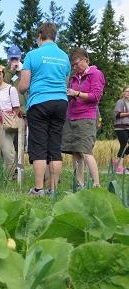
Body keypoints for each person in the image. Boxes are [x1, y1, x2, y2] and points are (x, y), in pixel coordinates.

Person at [18, 22, 71, 196]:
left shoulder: (33, 55)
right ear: (54, 36)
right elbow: (65, 84)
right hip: (61, 102)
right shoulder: (64, 57)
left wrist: (22, 86)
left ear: (40, 36)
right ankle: (53, 190)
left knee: (39, 146)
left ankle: (39, 189)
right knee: (54, 146)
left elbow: (24, 86)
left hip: (40, 102)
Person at [62, 47, 105, 188]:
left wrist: (77, 94)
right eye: (73, 65)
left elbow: (96, 96)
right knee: (76, 152)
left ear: (85, 59)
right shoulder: (74, 77)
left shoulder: (96, 74)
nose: (75, 66)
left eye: (77, 63)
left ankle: (96, 184)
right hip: (72, 116)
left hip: (87, 117)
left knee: (86, 151)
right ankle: (79, 183)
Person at [3, 45, 28, 178]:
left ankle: (19, 170)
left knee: (21, 143)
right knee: (9, 144)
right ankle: (11, 170)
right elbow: (3, 85)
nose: (14, 61)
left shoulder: (25, 70)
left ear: (20, 57)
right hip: (8, 113)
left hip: (23, 113)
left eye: (16, 58)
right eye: (11, 58)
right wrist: (11, 71)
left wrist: (19, 71)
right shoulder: (5, 71)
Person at [113, 87, 129, 174]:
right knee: (124, 144)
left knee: (125, 145)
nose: (128, 93)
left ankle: (118, 161)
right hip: (120, 127)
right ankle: (119, 167)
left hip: (128, 127)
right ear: (123, 92)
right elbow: (117, 115)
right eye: (127, 91)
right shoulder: (120, 102)